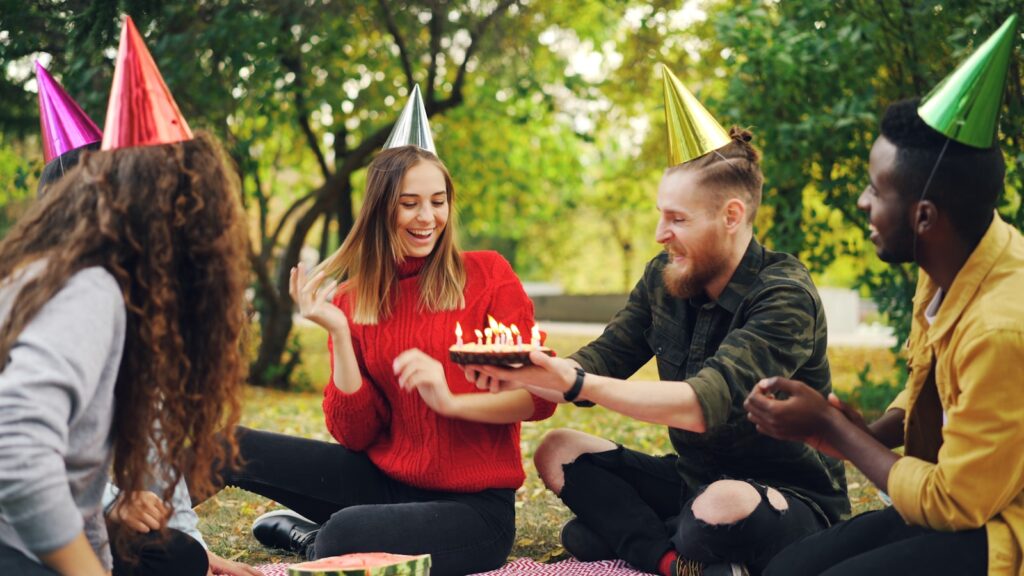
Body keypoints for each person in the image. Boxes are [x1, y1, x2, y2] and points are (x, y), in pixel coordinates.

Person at [471, 66, 847, 576]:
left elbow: (699, 406)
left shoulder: (783, 295)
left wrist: (578, 381)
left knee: (712, 508)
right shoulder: (664, 279)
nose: (659, 233)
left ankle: (640, 538)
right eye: (660, 214)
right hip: (692, 481)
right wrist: (523, 370)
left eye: (677, 219)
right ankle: (671, 559)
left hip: (784, 499)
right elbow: (603, 358)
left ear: (732, 216)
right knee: (558, 450)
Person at [201, 85, 557, 576]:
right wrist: (341, 334)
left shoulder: (489, 275)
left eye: (438, 201)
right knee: (223, 444)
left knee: (343, 535)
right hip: (384, 482)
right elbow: (354, 433)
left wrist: (450, 402)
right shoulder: (352, 299)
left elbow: (540, 395)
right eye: (409, 203)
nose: (427, 217)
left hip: (474, 510)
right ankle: (137, 540)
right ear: (380, 209)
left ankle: (314, 540)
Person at [747, 17, 1023, 576]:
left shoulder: (1002, 326)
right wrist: (871, 432)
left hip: (998, 527)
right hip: (964, 501)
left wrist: (835, 433)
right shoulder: (953, 263)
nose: (861, 202)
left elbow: (953, 503)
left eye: (876, 188)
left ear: (924, 217)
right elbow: (934, 382)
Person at [0, 16, 249, 576]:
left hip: (39, 540)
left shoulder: (91, 286)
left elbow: (83, 492)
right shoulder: (89, 289)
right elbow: (14, 446)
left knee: (177, 558)